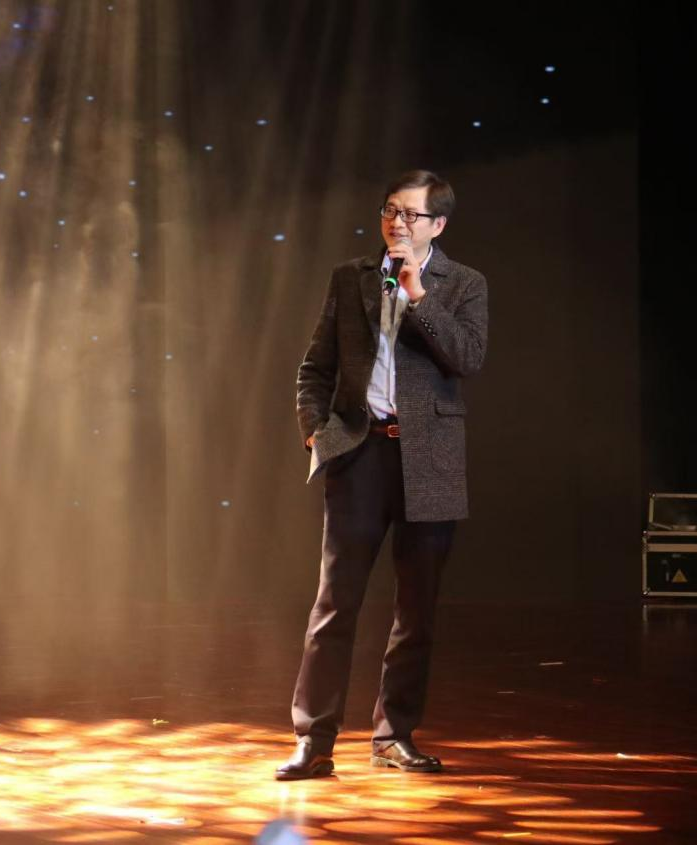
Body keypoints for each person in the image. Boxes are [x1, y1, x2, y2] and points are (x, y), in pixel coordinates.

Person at [275, 171, 488, 780]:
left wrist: (419, 296)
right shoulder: (352, 277)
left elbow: (468, 357)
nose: (398, 223)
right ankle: (313, 741)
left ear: (437, 225)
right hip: (359, 452)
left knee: (416, 611)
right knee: (334, 604)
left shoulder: (464, 284)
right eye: (391, 211)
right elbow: (315, 366)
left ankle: (394, 737)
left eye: (411, 215)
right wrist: (317, 432)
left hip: (430, 458)